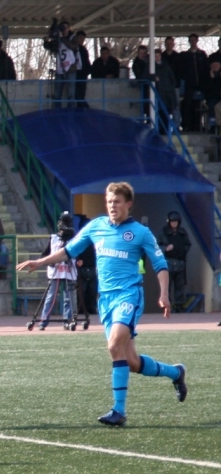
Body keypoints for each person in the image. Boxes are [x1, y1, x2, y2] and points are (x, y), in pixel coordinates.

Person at [17, 182, 187, 426]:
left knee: (114, 344)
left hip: (128, 295)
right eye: (109, 202)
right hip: (105, 299)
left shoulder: (140, 232)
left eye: (117, 202)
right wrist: (40, 262)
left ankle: (118, 412)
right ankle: (176, 372)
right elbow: (69, 251)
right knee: (130, 361)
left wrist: (164, 294)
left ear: (128, 204)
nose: (112, 206)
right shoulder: (96, 226)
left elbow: (160, 265)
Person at [36, 213, 78, 331]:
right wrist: (51, 262)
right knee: (51, 297)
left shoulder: (75, 239)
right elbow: (44, 254)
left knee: (68, 298)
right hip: (55, 272)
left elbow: (79, 254)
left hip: (69, 272)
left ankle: (67, 321)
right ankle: (43, 321)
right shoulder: (53, 238)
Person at [159, 211, 191, 309]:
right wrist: (165, 248)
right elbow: (157, 245)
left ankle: (179, 305)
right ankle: (167, 305)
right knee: (167, 285)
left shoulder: (182, 232)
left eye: (176, 221)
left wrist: (182, 251)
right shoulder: (164, 232)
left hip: (180, 262)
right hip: (168, 262)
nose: (174, 223)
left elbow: (188, 244)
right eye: (172, 221)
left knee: (180, 286)